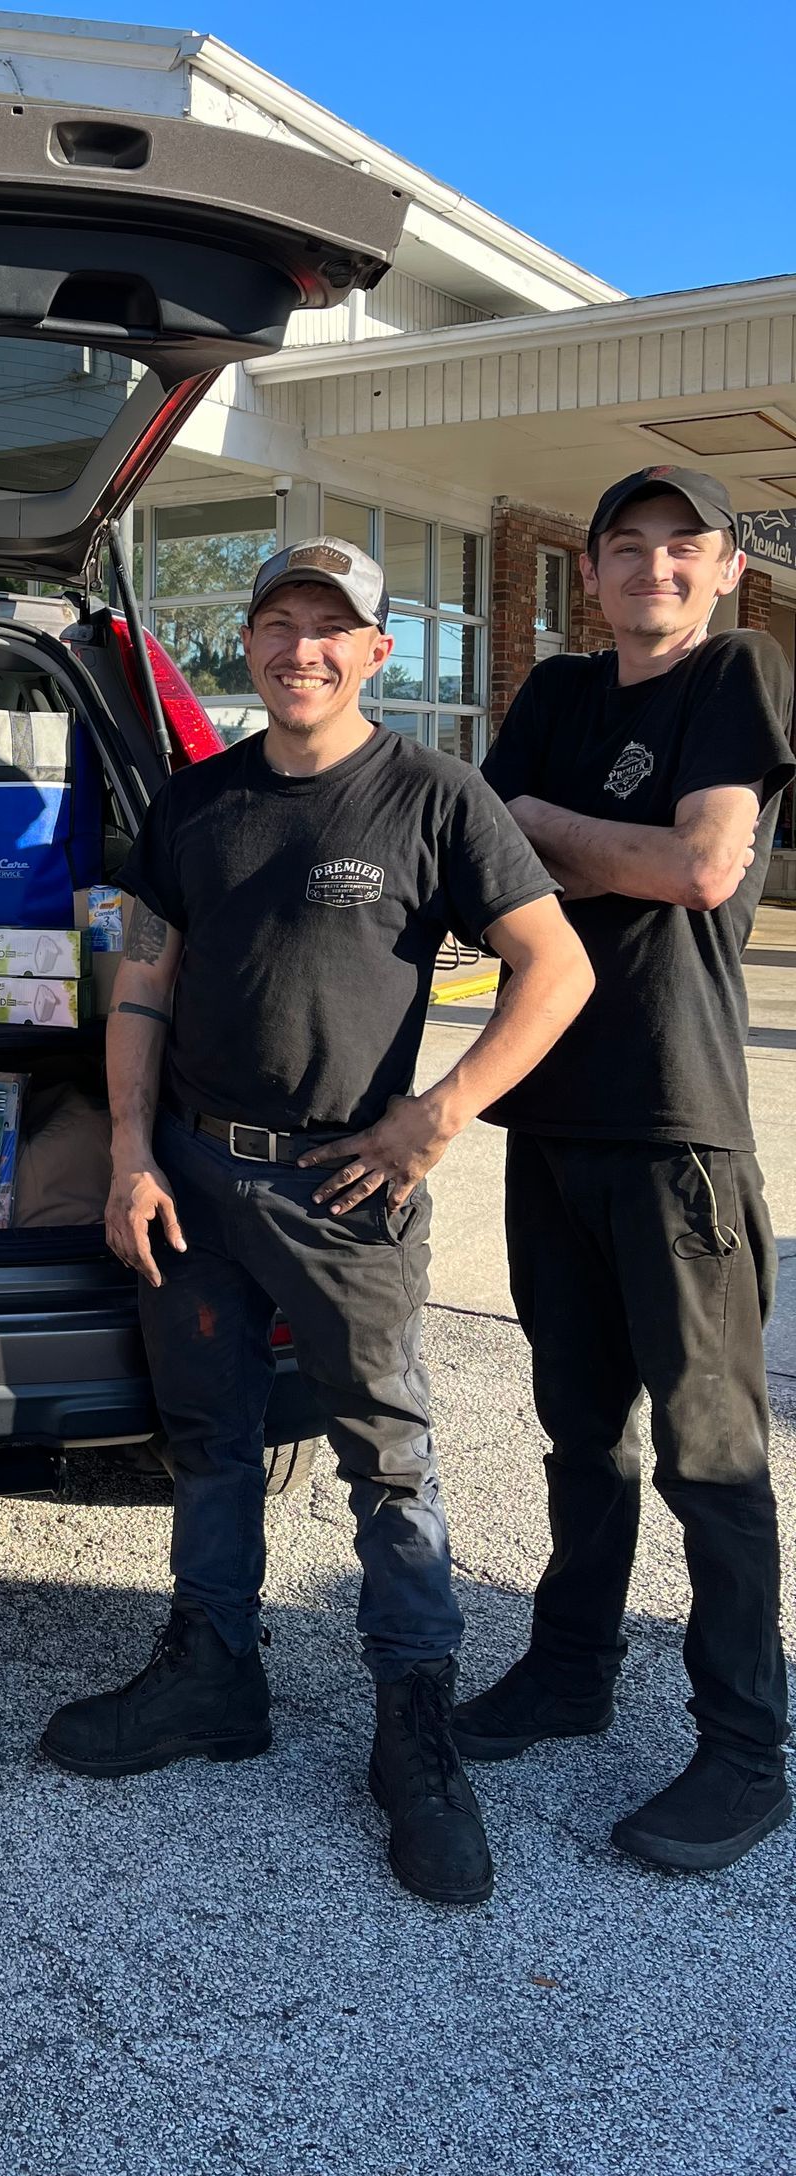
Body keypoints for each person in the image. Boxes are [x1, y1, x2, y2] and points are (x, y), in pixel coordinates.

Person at [40, 536, 593, 1906]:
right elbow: (145, 983)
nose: (302, 648)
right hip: (192, 1176)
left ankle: (414, 1732)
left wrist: (440, 1111)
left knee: (385, 1460)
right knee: (211, 1442)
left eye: (331, 627)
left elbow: (557, 968)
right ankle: (214, 1675)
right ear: (252, 642)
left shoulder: (433, 797)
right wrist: (128, 1154)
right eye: (280, 623)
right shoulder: (200, 800)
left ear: (377, 651)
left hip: (346, 1189)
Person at [455, 466, 794, 1875]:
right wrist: (597, 854)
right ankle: (572, 1670)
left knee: (710, 1457)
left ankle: (745, 1749)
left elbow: (705, 872)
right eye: (626, 548)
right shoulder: (551, 700)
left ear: (723, 570)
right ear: (585, 575)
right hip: (553, 1118)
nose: (653, 567)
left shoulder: (742, 673)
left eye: (682, 547)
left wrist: (547, 834)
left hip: (678, 1128)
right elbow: (483, 885)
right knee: (579, 1433)